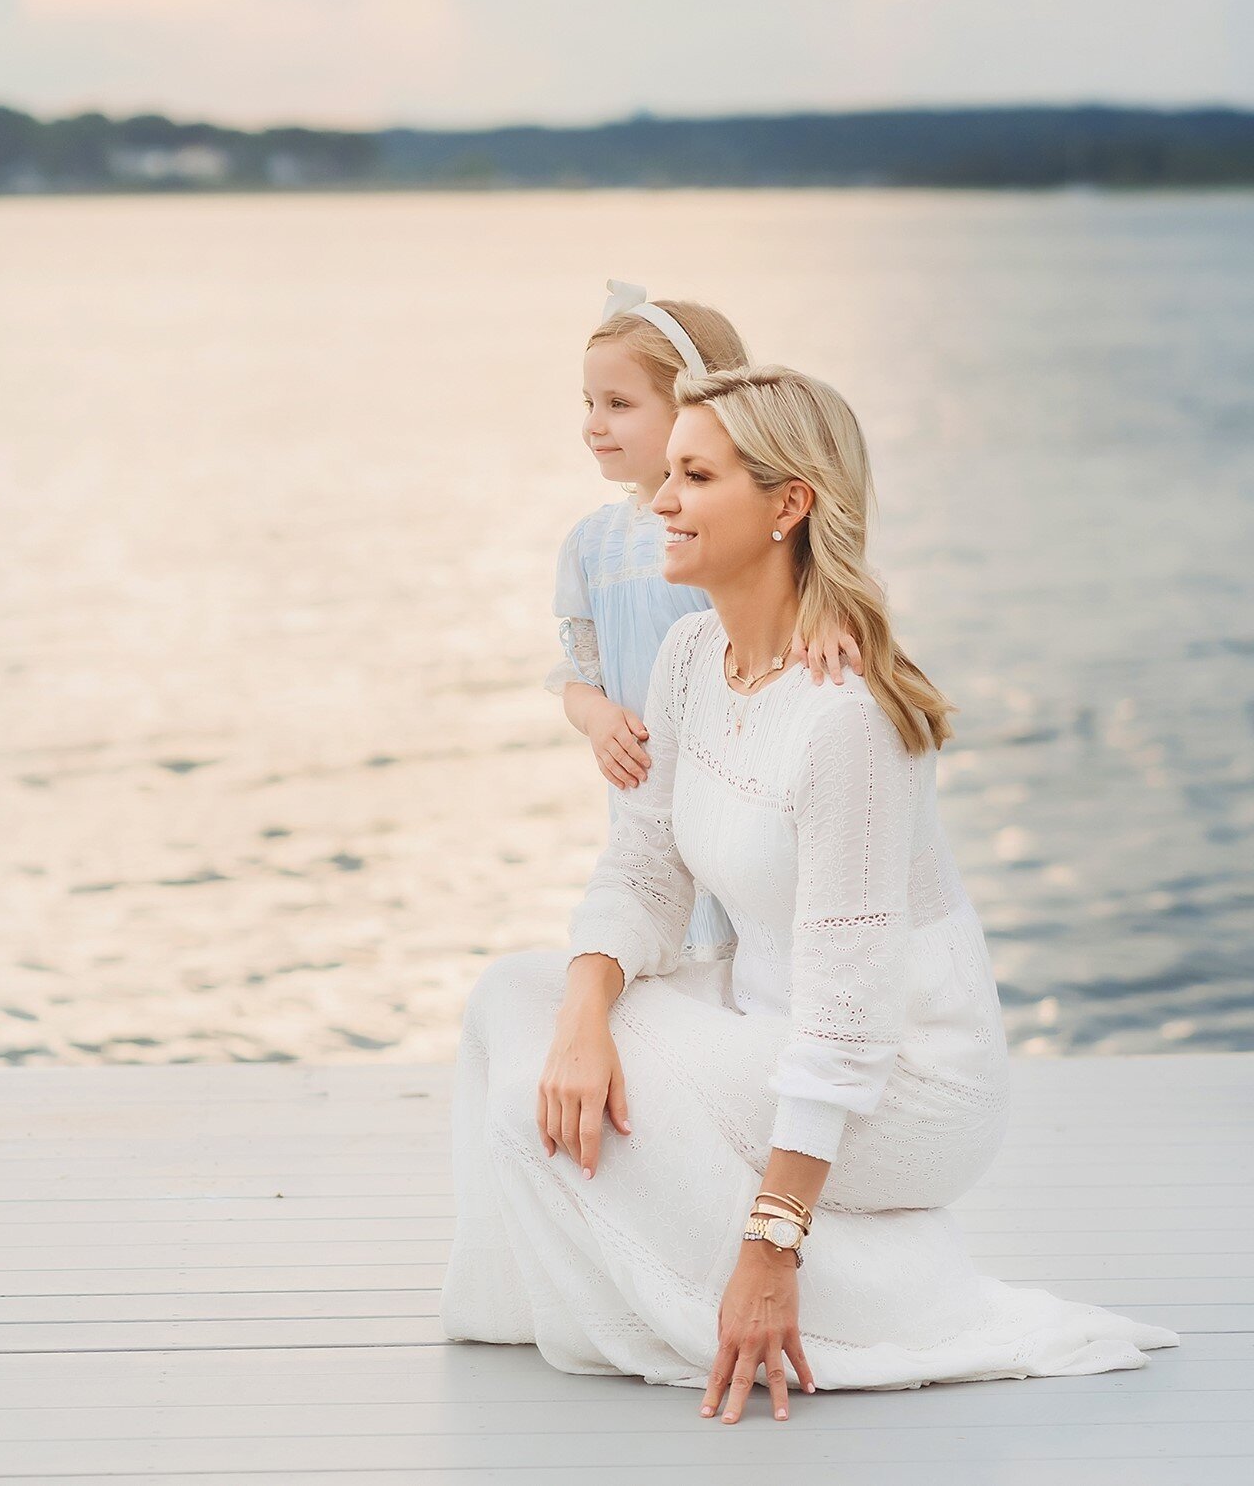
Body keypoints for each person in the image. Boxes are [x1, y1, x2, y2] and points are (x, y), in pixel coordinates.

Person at [440, 362, 1178, 1422]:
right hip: (766, 1016)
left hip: (903, 1076)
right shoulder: (696, 655)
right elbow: (645, 866)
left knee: (535, 1099)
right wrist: (586, 1012)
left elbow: (849, 1010)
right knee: (516, 999)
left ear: (788, 505)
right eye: (672, 472)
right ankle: (550, 1293)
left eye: (696, 475)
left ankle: (863, 1284)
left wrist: (772, 1239)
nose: (661, 498)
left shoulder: (846, 721)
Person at [546, 279, 859, 959]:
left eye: (620, 405)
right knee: (661, 922)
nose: (594, 424)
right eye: (590, 403)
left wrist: (830, 618)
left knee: (749, 929)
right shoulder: (592, 544)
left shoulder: (731, 528)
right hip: (650, 785)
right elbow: (574, 673)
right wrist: (598, 719)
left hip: (736, 770)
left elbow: (809, 587)